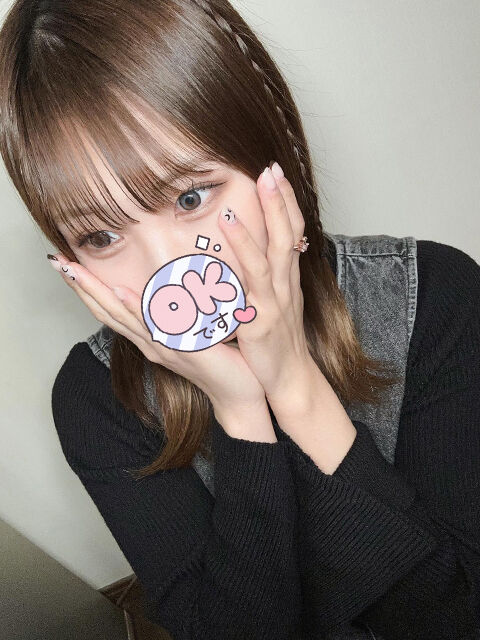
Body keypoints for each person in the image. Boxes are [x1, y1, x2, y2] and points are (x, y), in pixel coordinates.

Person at [1, 1, 479, 638]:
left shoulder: (433, 296)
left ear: (270, 150)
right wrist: (241, 412)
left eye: (190, 197)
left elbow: (455, 618)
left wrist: (295, 388)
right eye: (101, 236)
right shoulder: (96, 397)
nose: (169, 271)